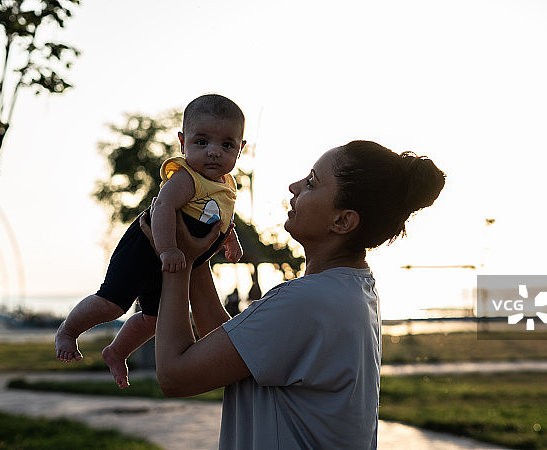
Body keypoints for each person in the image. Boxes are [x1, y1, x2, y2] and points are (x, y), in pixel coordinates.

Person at [144, 140, 445, 449]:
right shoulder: (352, 288)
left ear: (342, 221)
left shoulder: (306, 302)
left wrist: (175, 263)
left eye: (312, 182)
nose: (294, 186)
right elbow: (233, 350)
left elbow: (175, 376)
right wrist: (195, 255)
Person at [55, 94, 247, 388]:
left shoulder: (227, 185)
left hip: (173, 260)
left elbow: (219, 218)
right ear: (183, 143)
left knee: (154, 320)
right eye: (201, 142)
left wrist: (230, 240)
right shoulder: (186, 177)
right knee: (113, 304)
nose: (213, 153)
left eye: (226, 145)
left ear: (240, 148)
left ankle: (117, 352)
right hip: (146, 247)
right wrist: (168, 248)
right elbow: (162, 208)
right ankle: (68, 331)